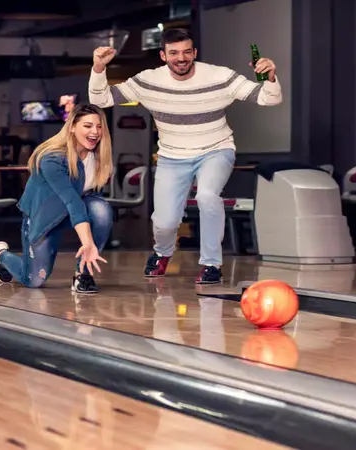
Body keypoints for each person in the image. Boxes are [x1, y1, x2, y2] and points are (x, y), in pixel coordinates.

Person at [88, 28, 283, 284]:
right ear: (163, 55)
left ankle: (211, 264)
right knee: (165, 222)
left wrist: (270, 77)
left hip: (216, 148)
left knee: (207, 196)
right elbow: (101, 99)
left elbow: (270, 99)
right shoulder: (148, 80)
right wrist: (99, 69)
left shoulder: (219, 76)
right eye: (174, 53)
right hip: (172, 156)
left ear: (194, 53)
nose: (181, 58)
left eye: (186, 52)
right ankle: (162, 253)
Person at [0, 104, 114, 294]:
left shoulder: (97, 157)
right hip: (44, 217)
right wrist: (88, 243)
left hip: (72, 214)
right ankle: (1, 256)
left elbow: (90, 200)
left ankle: (83, 274)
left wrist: (89, 244)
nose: (95, 132)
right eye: (88, 126)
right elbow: (72, 201)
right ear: (72, 126)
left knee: (101, 209)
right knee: (34, 280)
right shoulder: (52, 158)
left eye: (99, 127)